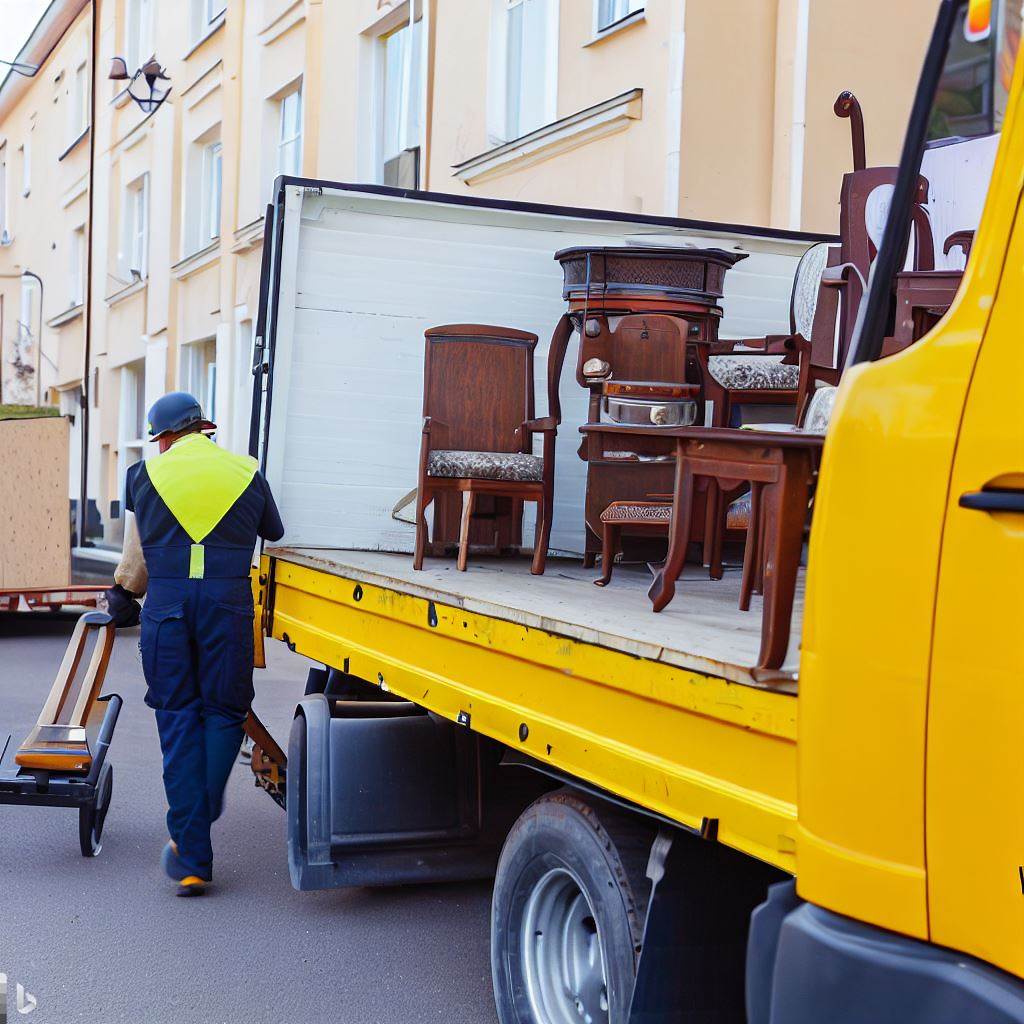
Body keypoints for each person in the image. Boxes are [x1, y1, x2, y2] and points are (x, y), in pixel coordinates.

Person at [105, 392, 284, 896]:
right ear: (203, 429)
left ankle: (192, 853)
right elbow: (275, 529)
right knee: (225, 712)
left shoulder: (143, 476)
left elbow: (135, 561)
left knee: (178, 716)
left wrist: (120, 594)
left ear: (163, 438)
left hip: (166, 610)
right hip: (228, 608)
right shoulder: (245, 471)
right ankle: (199, 816)